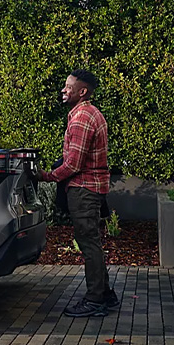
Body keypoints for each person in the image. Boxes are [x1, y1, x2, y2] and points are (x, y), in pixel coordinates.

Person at [40, 69, 120, 317]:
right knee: (92, 242)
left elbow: (74, 164)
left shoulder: (83, 117)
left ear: (82, 91)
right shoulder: (85, 114)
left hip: (84, 189)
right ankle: (105, 294)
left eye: (69, 86)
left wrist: (46, 176)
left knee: (88, 244)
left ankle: (95, 299)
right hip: (89, 187)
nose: (64, 90)